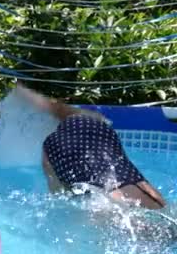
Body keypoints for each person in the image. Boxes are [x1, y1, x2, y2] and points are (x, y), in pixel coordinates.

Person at [15, 83, 166, 210]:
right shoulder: (96, 123)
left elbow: (59, 197)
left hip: (102, 194)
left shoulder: (50, 145)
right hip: (131, 187)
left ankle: (23, 91)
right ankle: (24, 92)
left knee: (64, 196)